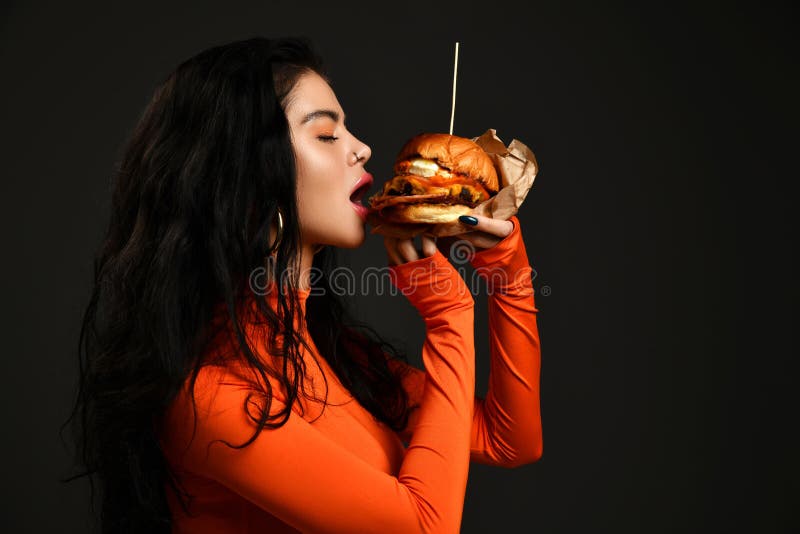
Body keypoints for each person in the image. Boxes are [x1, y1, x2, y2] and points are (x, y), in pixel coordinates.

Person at [64, 36, 543, 533]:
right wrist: (448, 316)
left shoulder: (332, 352)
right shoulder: (208, 399)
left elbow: (509, 438)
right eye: (326, 135)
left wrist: (504, 264)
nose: (362, 149)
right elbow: (425, 527)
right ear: (250, 176)